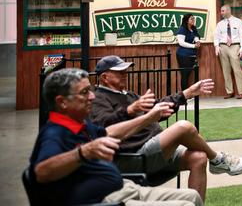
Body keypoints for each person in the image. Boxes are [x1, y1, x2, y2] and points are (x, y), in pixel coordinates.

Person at [29, 68, 203, 205]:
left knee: (193, 196)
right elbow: (41, 172)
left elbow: (110, 132)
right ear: (62, 102)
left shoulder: (82, 124)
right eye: (84, 92)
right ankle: (218, 159)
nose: (91, 96)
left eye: (90, 90)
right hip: (107, 199)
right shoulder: (55, 133)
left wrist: (148, 117)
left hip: (124, 186)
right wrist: (83, 152)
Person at [89, 55, 242, 201]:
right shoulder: (98, 99)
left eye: (126, 70)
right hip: (131, 157)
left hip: (152, 151)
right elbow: (105, 129)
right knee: (183, 126)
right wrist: (131, 110)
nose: (126, 74)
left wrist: (187, 93)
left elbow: (160, 107)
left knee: (199, 157)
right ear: (104, 77)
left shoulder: (128, 95)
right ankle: (218, 159)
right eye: (120, 72)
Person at [214, 5, 242, 99]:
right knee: (226, 70)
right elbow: (216, 36)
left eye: (223, 11)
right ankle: (230, 91)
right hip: (223, 46)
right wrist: (216, 46)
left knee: (237, 70)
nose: (221, 13)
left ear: (228, 10)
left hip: (235, 46)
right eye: (221, 11)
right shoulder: (220, 24)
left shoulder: (238, 22)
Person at [176, 13, 201, 90]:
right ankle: (184, 95)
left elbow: (196, 36)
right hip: (183, 55)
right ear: (187, 20)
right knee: (185, 75)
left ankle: (187, 94)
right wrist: (193, 46)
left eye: (194, 18)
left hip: (191, 55)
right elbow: (181, 42)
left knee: (188, 74)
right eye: (191, 19)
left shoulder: (193, 28)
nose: (193, 20)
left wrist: (197, 41)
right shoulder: (182, 29)